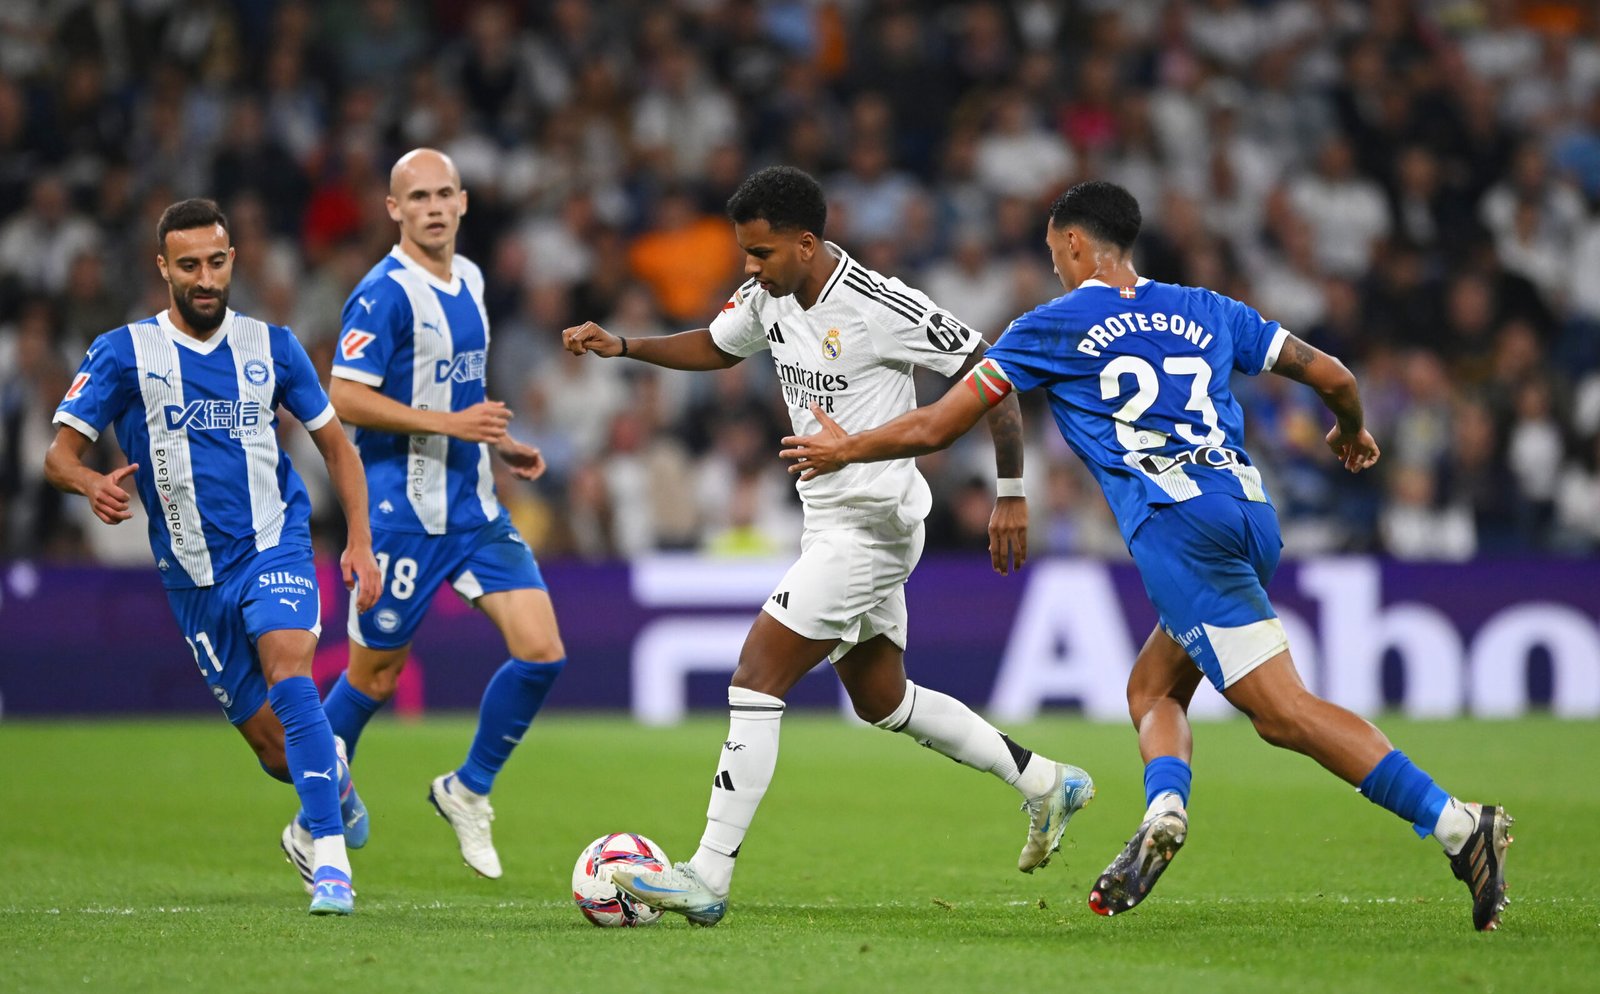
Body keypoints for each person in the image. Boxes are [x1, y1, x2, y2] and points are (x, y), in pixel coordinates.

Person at [781, 180, 1513, 932]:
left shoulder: (1049, 325)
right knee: (1153, 688)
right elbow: (1333, 375)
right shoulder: (1208, 308)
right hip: (1250, 515)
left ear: (1072, 244)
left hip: (1178, 531)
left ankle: (1457, 825)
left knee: (1283, 715)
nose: (1055, 266)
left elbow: (938, 425)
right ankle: (1164, 810)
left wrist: (849, 446)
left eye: (1053, 252)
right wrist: (1351, 430)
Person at [562, 165, 1094, 927]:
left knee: (755, 676)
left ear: (807, 243)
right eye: (746, 254)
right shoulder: (769, 298)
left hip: (871, 526)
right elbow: (717, 347)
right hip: (830, 520)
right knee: (884, 700)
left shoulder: (881, 305)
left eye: (763, 253)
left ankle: (708, 875)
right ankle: (1045, 780)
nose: (750, 269)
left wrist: (1011, 492)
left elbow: (991, 372)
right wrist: (623, 346)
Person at [44, 198, 381, 916]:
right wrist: (88, 481)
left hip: (274, 545)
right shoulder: (124, 352)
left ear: (234, 261)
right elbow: (59, 454)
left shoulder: (275, 347)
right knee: (275, 752)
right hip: (194, 579)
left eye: (217, 262)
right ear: (163, 267)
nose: (205, 277)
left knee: (289, 662)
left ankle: (329, 863)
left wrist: (358, 538)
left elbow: (336, 448)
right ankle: (336, 783)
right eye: (189, 264)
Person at [324, 148, 564, 880]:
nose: (432, 206)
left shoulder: (473, 279)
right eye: (416, 196)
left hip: (474, 507)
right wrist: (449, 426)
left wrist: (499, 444)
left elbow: (460, 390)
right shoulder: (381, 294)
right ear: (393, 209)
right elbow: (344, 397)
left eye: (443, 194)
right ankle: (314, 818)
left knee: (542, 651)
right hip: (400, 515)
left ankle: (467, 789)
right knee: (373, 680)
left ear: (464, 203)